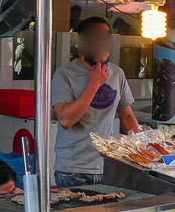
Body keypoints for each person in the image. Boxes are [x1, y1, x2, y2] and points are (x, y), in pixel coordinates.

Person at [52, 17, 139, 188]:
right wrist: (94, 84)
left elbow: (127, 116)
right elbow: (65, 120)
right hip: (73, 169)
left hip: (107, 166)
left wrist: (141, 149)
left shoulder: (116, 73)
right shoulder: (64, 74)